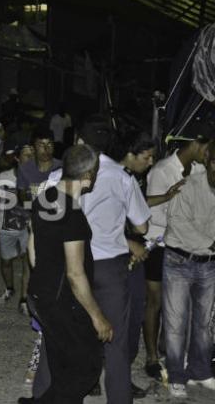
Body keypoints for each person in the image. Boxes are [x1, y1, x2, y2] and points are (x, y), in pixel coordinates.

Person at [32, 116, 151, 404]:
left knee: (56, 340)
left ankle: (43, 394)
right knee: (115, 341)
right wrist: (123, 234)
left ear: (80, 141)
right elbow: (142, 226)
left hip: (63, 270)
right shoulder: (122, 177)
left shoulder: (56, 179)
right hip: (107, 267)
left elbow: (36, 237)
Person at [18, 144, 109, 404]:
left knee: (63, 367)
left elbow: (32, 249)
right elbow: (75, 274)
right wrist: (98, 317)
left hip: (40, 294)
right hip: (62, 302)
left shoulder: (45, 198)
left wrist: (44, 277)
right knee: (86, 369)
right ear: (89, 175)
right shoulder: (73, 216)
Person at [142, 128, 210, 380]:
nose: (209, 155)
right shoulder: (161, 170)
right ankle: (151, 357)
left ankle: (170, 351)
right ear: (195, 143)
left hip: (184, 246)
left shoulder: (200, 169)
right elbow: (150, 213)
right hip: (158, 244)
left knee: (181, 306)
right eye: (208, 149)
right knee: (155, 302)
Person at [163, 141, 215, 399]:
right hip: (179, 261)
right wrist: (211, 243)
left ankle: (201, 371)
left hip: (209, 263)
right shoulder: (188, 186)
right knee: (176, 323)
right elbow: (177, 223)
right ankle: (176, 376)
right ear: (210, 162)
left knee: (204, 323)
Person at [112, 130, 157, 399]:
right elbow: (140, 225)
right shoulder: (117, 178)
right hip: (113, 259)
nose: (150, 162)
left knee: (130, 318)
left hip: (127, 257)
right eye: (146, 157)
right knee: (119, 319)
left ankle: (119, 377)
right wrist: (131, 243)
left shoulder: (132, 178)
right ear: (130, 154)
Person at [16, 127, 62, 314]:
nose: (46, 149)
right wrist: (34, 209)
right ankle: (24, 298)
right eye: (41, 145)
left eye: (49, 144)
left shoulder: (61, 167)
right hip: (33, 221)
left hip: (57, 221)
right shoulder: (25, 169)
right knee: (30, 260)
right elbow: (21, 195)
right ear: (34, 147)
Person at [0, 144, 34, 304]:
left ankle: (24, 298)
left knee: (27, 262)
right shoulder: (4, 177)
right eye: (27, 155)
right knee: (6, 261)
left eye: (33, 154)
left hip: (28, 229)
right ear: (17, 158)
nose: (31, 158)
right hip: (6, 228)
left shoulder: (38, 177)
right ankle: (9, 289)